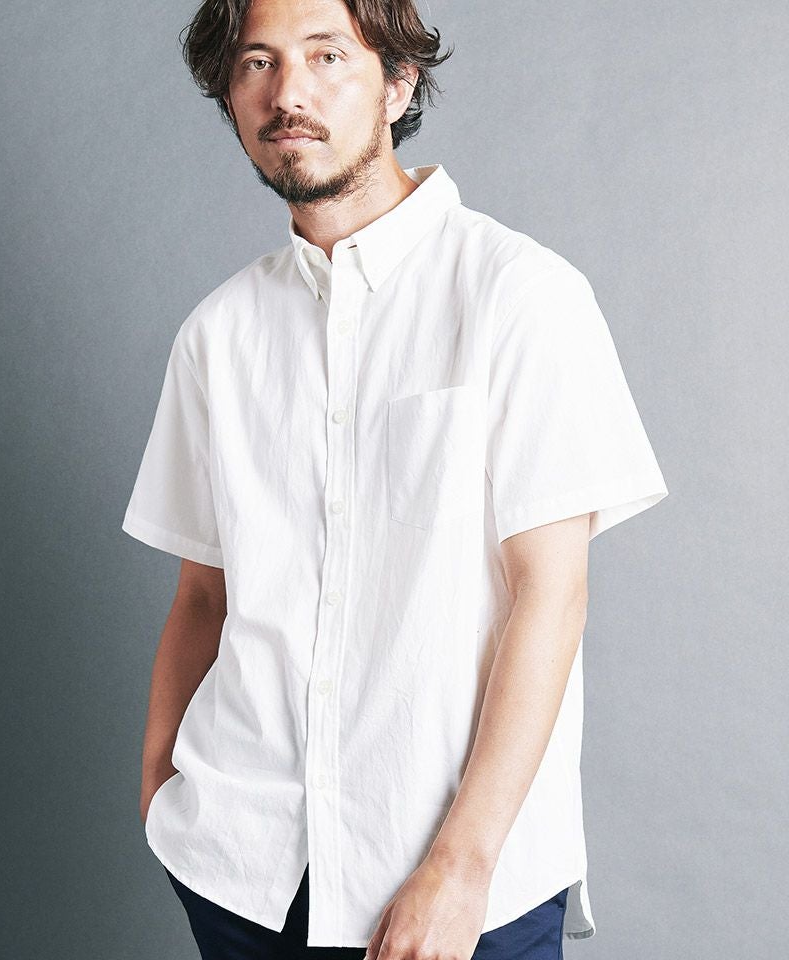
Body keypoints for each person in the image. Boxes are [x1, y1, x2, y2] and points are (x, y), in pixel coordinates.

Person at [121, 0, 669, 958]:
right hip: (242, 871)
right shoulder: (217, 335)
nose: (288, 93)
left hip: (460, 882)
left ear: (399, 84)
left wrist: (462, 865)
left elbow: (552, 595)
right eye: (257, 62)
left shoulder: (521, 296)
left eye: (327, 55)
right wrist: (161, 789)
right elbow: (204, 591)